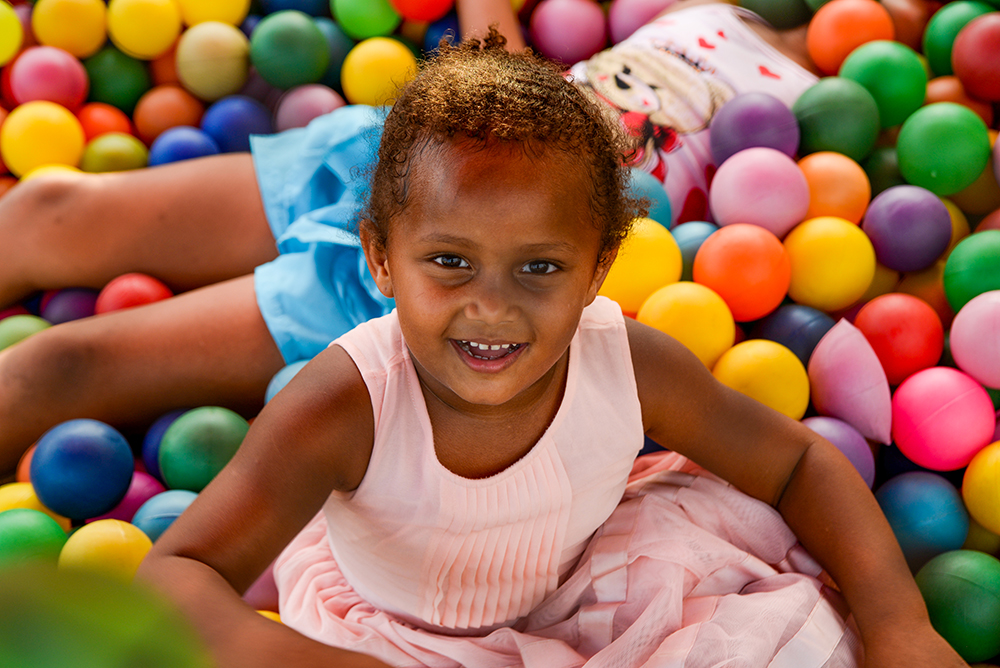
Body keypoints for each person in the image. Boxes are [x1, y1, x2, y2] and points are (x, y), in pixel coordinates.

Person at [132, 22, 968, 668]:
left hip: (592, 592)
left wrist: (899, 625)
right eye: (449, 262)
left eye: (539, 267)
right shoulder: (349, 402)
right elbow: (174, 577)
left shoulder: (627, 363)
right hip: (395, 639)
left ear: (599, 267)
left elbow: (798, 463)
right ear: (381, 258)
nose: (491, 307)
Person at [0, 0, 830, 475]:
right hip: (387, 153)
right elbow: (518, 79)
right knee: (47, 207)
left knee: (61, 363)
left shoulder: (832, 97)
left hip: (447, 266)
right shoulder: (702, 10)